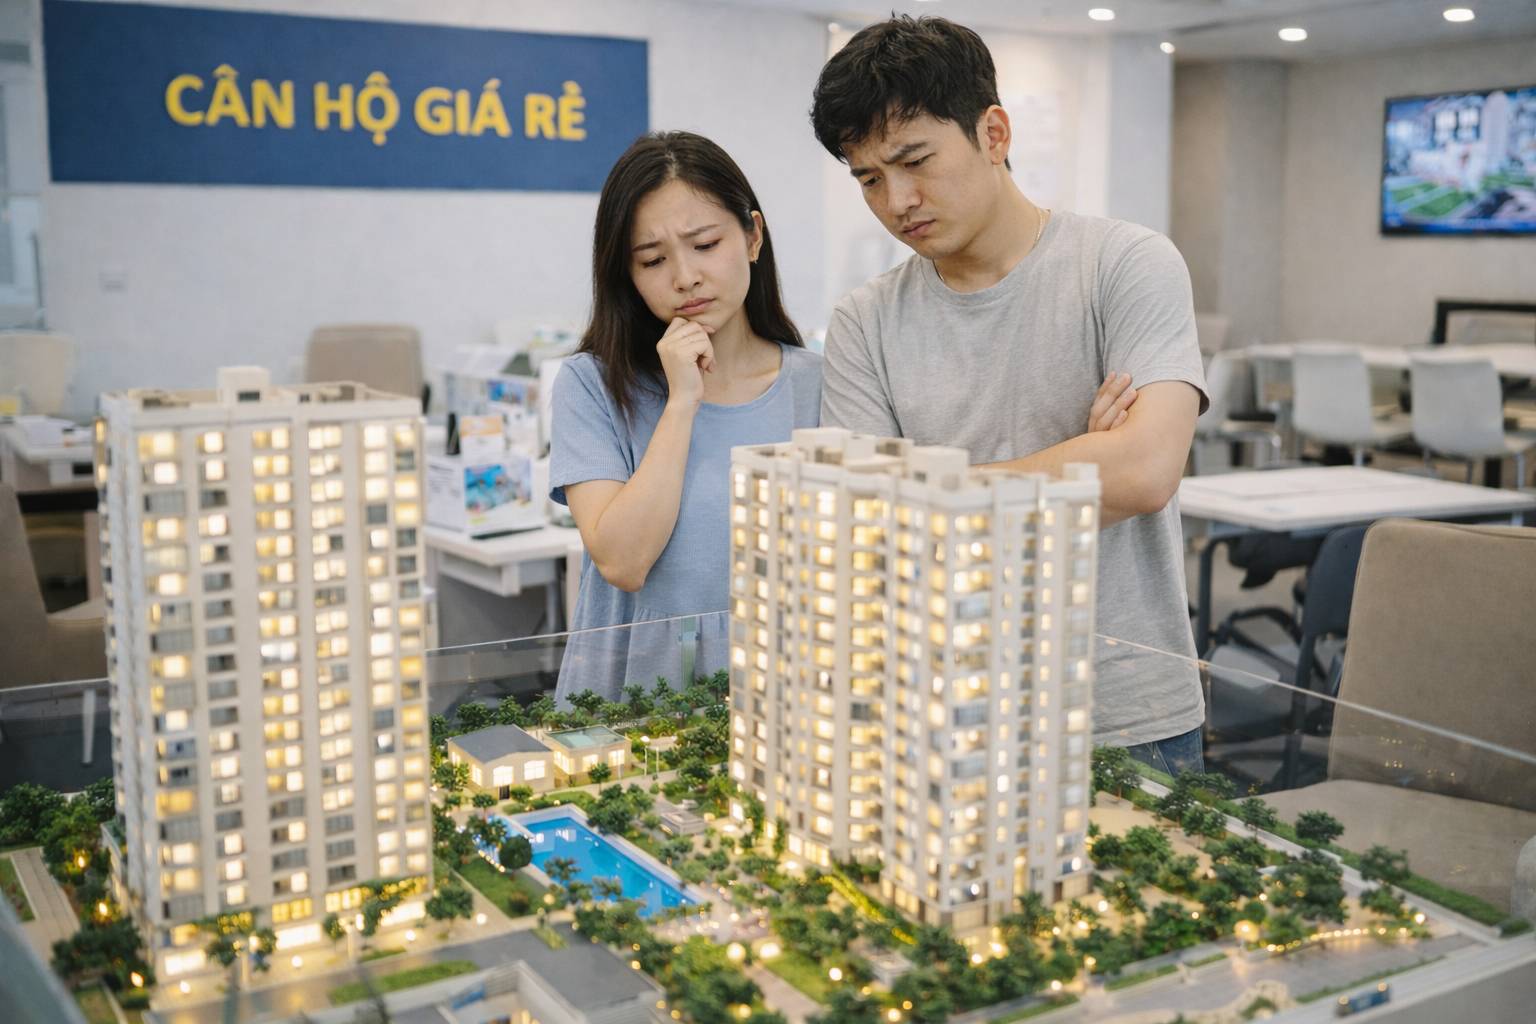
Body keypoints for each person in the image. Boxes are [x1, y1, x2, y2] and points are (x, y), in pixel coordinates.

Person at [810, 16, 1209, 774]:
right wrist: (1082, 459)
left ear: (993, 133)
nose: (898, 200)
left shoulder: (1125, 264)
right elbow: (867, 535)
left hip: (1124, 716)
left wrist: (927, 494)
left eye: (915, 161)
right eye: (869, 179)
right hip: (943, 711)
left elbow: (1144, 472)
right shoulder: (865, 321)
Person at [548, 131, 822, 704]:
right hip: (630, 698)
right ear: (626, 274)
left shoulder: (821, 385)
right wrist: (681, 402)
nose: (684, 277)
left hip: (780, 695)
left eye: (705, 244)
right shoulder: (592, 384)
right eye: (652, 259)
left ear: (753, 236)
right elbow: (624, 561)